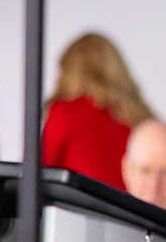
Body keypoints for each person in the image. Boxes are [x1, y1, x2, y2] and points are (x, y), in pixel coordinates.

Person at [41, 32, 152, 189]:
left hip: (82, 210)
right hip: (131, 211)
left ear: (68, 71)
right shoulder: (141, 118)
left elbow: (36, 174)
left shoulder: (65, 113)